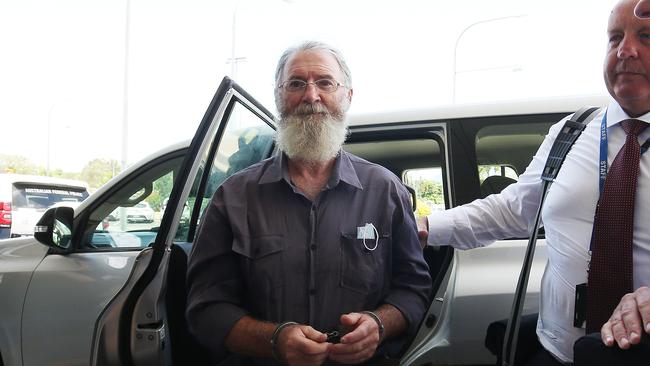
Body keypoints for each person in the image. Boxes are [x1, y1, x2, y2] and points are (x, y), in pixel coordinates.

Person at [418, 0, 650, 364]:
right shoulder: (572, 131)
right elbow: (515, 210)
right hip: (557, 351)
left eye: (646, 36)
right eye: (614, 37)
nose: (626, 50)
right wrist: (427, 227)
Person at [186, 41, 431, 366]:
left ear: (347, 96)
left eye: (325, 82)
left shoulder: (385, 191)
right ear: (279, 96)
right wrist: (273, 340)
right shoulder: (232, 198)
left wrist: (380, 324)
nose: (311, 96)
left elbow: (414, 289)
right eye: (297, 83)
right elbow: (205, 308)